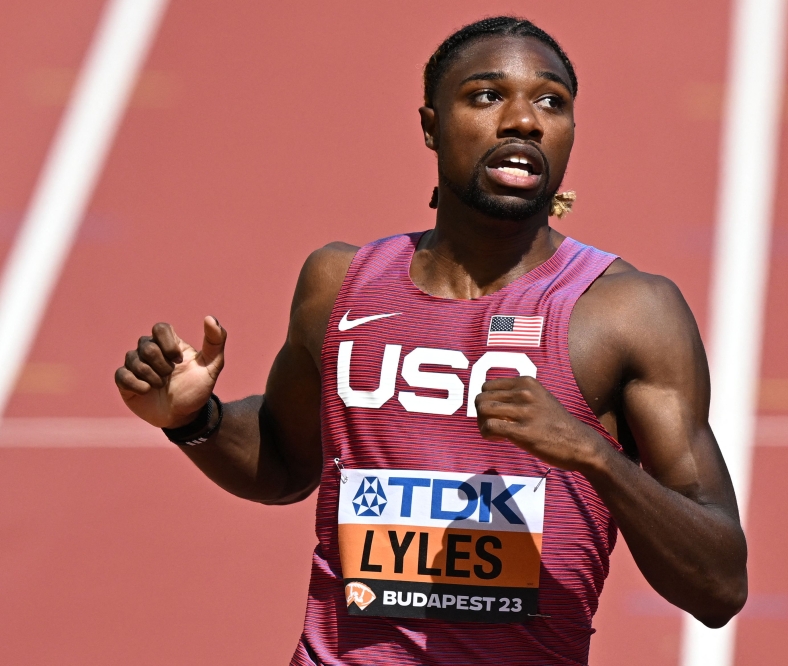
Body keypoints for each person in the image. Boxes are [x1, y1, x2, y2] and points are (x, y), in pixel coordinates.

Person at [114, 16, 747, 665]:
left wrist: (594, 456)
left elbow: (719, 585)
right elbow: (281, 460)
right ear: (429, 125)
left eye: (551, 102)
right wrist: (197, 420)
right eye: (486, 95)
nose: (524, 121)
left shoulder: (626, 314)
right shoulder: (341, 285)